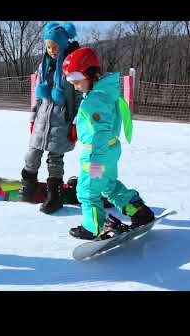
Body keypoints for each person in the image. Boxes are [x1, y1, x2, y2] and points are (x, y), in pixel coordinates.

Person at [62, 47, 154, 240]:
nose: (75, 86)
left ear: (91, 74)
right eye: (71, 82)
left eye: (77, 80)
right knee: (109, 186)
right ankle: (138, 210)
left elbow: (100, 132)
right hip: (110, 152)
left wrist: (95, 159)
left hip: (96, 157)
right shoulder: (106, 93)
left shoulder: (93, 101)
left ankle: (93, 227)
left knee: (87, 191)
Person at [19, 21, 81, 214]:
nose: (51, 50)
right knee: (32, 154)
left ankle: (54, 196)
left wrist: (75, 123)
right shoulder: (44, 65)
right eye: (48, 46)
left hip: (62, 120)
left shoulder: (72, 65)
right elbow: (38, 96)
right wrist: (32, 117)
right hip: (42, 118)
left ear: (63, 44)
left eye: (55, 46)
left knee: (55, 159)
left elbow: (80, 96)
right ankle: (29, 186)